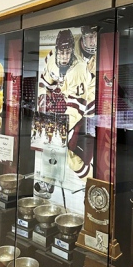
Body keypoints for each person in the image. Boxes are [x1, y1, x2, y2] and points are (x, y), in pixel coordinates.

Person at [37, 29, 96, 179]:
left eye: (67, 52)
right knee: (53, 143)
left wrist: (63, 129)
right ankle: (50, 176)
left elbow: (76, 107)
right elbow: (45, 84)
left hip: (89, 101)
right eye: (61, 52)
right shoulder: (51, 61)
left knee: (70, 147)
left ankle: (88, 179)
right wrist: (43, 107)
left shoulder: (79, 69)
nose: (64, 56)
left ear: (72, 53)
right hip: (71, 97)